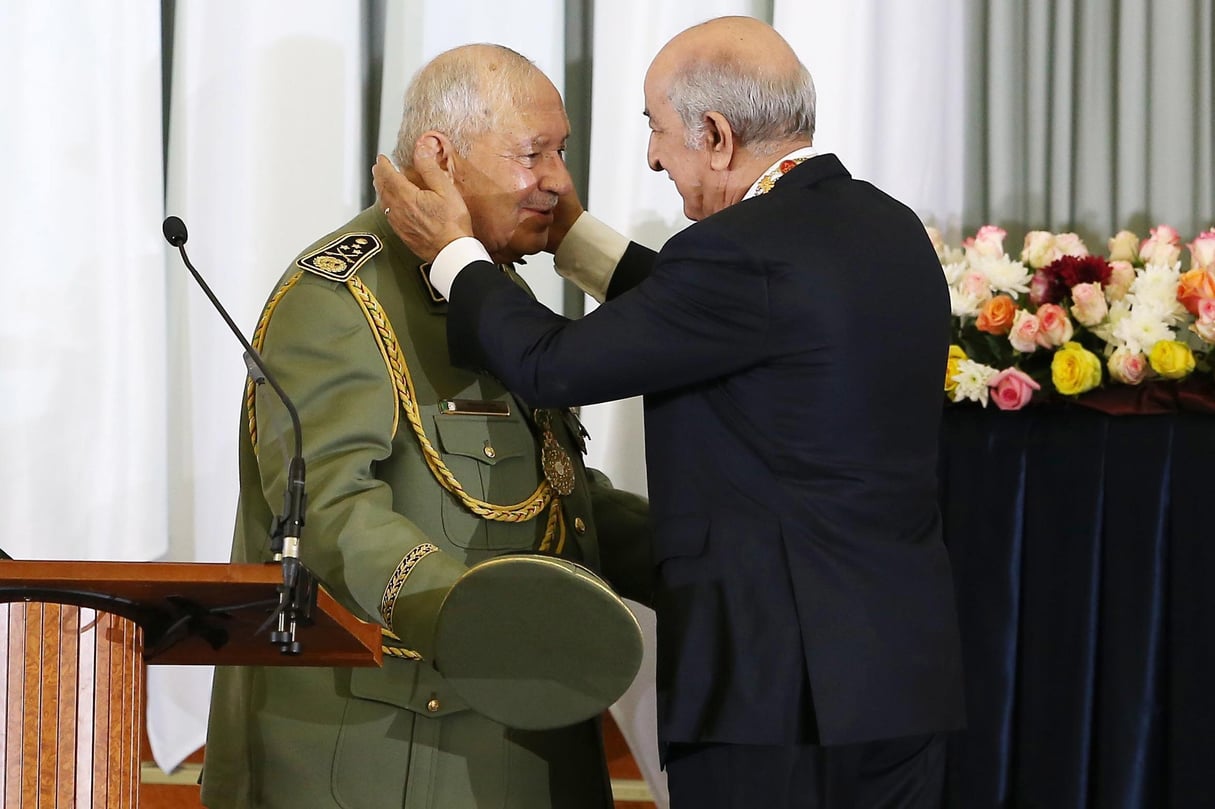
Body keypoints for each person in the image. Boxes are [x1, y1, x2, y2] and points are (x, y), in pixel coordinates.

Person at [373, 15, 966, 809]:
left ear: (715, 135)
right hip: (897, 684)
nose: (651, 153)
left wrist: (452, 252)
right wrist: (571, 239)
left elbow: (551, 365)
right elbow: (714, 316)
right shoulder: (884, 227)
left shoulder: (741, 251)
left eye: (655, 128)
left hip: (774, 696)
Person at [201, 44, 652, 809]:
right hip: (396, 758)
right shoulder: (338, 297)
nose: (559, 181)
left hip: (532, 725)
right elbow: (328, 512)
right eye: (532, 152)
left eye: (562, 151)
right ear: (439, 156)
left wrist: (713, 554)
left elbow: (554, 490)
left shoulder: (488, 282)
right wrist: (473, 613)